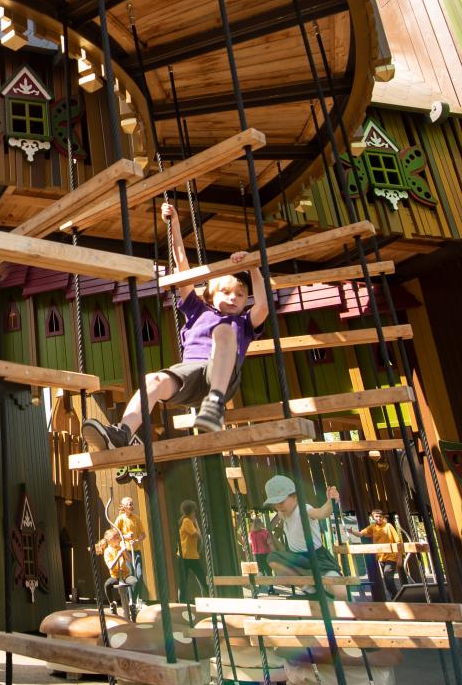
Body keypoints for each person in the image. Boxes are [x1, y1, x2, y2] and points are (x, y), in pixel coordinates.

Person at [84, 201, 272, 444]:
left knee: (224, 332)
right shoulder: (197, 310)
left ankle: (214, 404)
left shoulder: (245, 322)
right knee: (152, 379)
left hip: (222, 377)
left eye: (240, 294)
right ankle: (123, 432)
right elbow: (182, 264)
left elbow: (264, 306)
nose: (233, 298)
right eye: (226, 292)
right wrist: (172, 224)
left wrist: (253, 267)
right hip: (191, 374)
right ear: (210, 295)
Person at [261, 474, 340, 585]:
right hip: (298, 559)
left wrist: (331, 501)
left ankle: (316, 586)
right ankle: (308, 588)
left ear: (295, 497)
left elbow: (322, 512)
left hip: (317, 558)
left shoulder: (303, 510)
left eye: (281, 501)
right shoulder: (282, 513)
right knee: (273, 558)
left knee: (340, 591)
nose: (278, 506)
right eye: (275, 503)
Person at [357, 508, 405, 598]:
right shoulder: (373, 527)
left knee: (387, 574)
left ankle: (396, 596)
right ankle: (395, 596)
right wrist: (351, 531)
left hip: (392, 555)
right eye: (376, 516)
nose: (379, 518)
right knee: (387, 579)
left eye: (380, 516)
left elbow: (398, 541)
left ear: (382, 517)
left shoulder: (388, 526)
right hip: (381, 556)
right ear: (372, 517)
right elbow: (361, 533)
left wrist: (399, 557)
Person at [176, 500, 205, 604]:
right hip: (186, 556)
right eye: (194, 511)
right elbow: (197, 535)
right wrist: (196, 523)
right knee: (195, 579)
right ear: (191, 511)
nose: (195, 513)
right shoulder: (187, 521)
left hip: (190, 555)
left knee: (194, 579)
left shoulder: (186, 520)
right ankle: (182, 602)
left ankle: (183, 601)